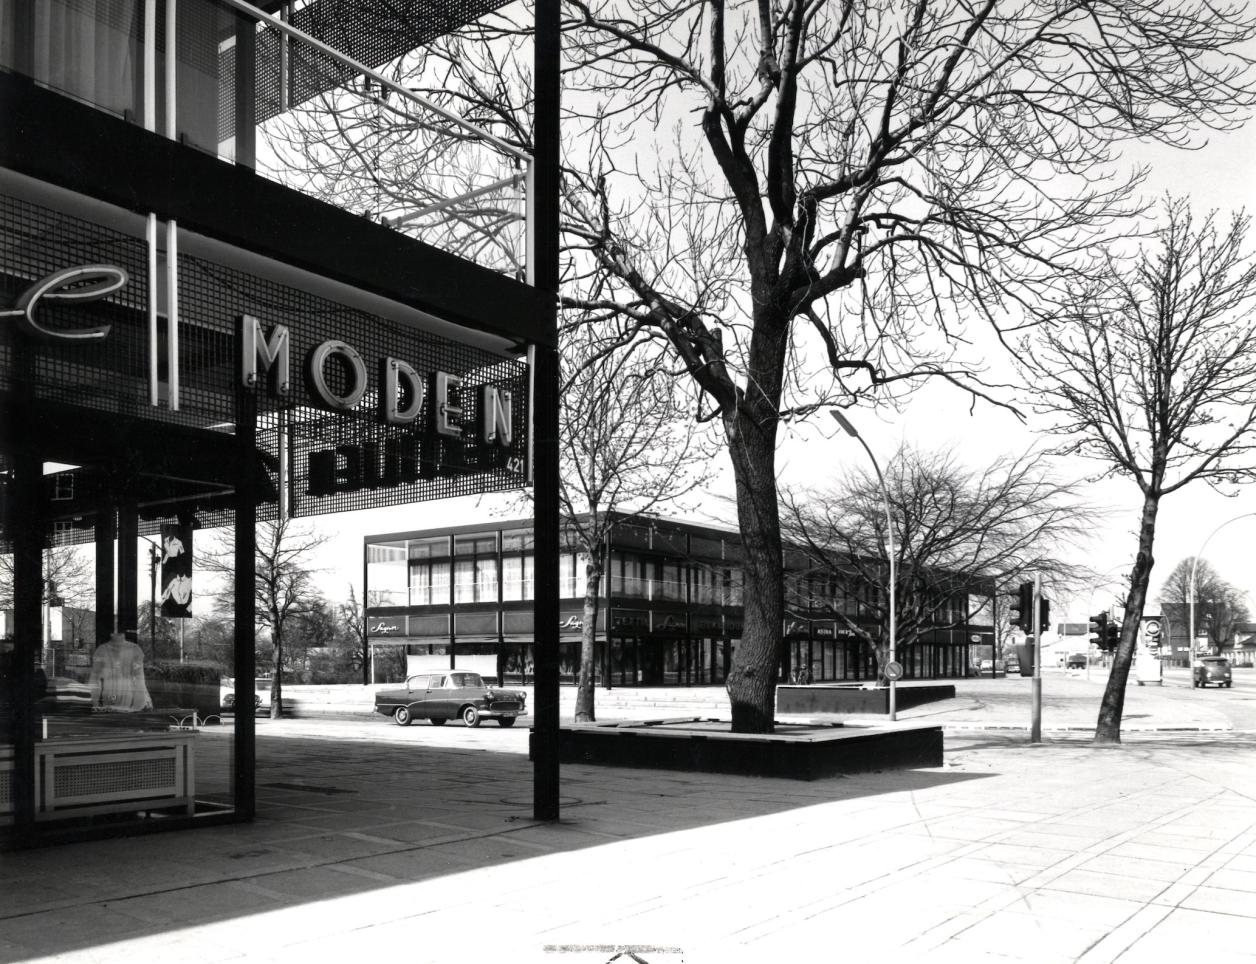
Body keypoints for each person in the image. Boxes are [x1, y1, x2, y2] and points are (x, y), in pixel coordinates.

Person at [88, 632, 153, 712]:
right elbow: (94, 679)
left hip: (127, 702)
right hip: (107, 702)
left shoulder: (135, 650)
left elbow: (140, 681)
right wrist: (95, 704)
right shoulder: (101, 650)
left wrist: (136, 707)